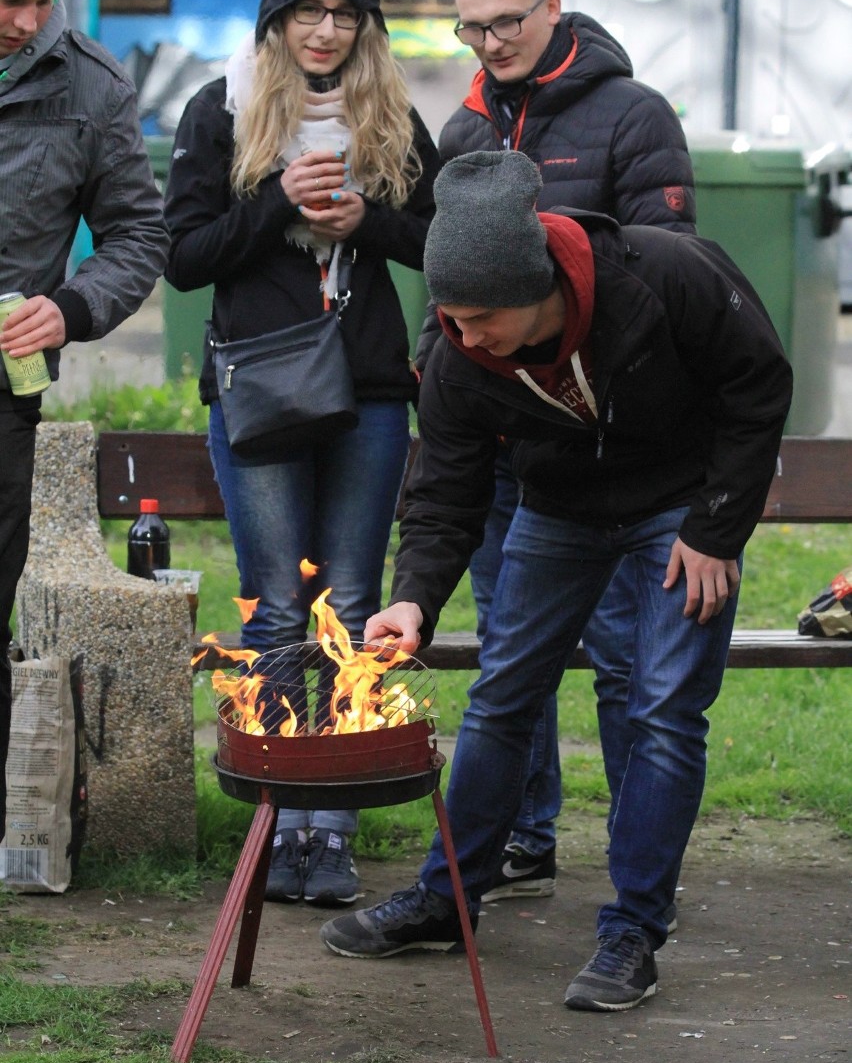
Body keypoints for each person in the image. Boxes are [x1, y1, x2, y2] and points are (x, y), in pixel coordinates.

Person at [320, 150, 792, 1012]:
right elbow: (446, 493)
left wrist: (717, 528)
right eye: (451, 320)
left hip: (681, 508)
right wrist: (414, 597)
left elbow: (757, 387)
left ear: (537, 284)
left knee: (661, 707)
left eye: (482, 317)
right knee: (504, 694)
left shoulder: (666, 276)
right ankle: (446, 898)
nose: (466, 339)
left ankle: (632, 932)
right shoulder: (461, 359)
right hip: (562, 508)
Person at [417, 0, 698, 906]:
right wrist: (444, 380)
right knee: (510, 664)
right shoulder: (461, 135)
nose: (490, 42)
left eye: (506, 21)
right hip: (494, 450)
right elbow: (438, 292)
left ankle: (636, 873)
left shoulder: (632, 114)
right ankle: (517, 847)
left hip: (599, 453)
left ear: (552, 5)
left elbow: (663, 273)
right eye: (472, 27)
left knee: (625, 669)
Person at [164, 0, 439, 908]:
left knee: (356, 602)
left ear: (364, 26)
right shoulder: (222, 108)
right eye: (307, 14)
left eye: (344, 15)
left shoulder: (391, 111)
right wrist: (277, 202)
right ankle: (280, 818)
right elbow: (186, 257)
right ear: (276, 22)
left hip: (366, 390)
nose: (325, 32)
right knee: (279, 604)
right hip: (262, 386)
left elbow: (440, 241)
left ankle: (335, 823)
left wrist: (367, 222)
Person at [0, 0, 169, 840]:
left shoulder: (93, 85)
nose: (28, 22)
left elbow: (139, 235)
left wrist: (67, 308)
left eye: (44, 1)